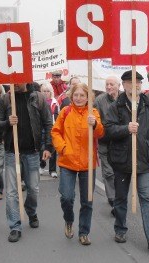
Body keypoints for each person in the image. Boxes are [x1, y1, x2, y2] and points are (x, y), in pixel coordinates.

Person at [105, 70, 149, 250]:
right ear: (124, 85)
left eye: (138, 82)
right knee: (121, 197)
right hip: (122, 160)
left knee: (146, 196)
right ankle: (120, 229)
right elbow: (108, 130)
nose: (135, 85)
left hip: (144, 159)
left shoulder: (148, 105)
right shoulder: (116, 107)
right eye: (131, 83)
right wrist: (126, 128)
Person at [0, 83, 53, 243]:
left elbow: (48, 123)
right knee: (12, 192)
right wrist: (7, 122)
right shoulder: (6, 99)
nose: (15, 84)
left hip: (32, 152)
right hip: (11, 152)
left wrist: (48, 146)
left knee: (33, 188)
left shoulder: (38, 98)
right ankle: (14, 226)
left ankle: (31, 210)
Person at [51, 83, 104, 245]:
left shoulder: (93, 113)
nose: (79, 98)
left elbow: (100, 133)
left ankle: (84, 232)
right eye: (76, 95)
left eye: (82, 95)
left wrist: (94, 123)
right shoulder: (65, 112)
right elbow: (55, 132)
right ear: (71, 96)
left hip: (88, 163)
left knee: (87, 201)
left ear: (88, 97)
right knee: (66, 197)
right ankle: (69, 220)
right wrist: (63, 148)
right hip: (67, 161)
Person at [93, 75, 121, 209]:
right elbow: (95, 119)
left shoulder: (124, 98)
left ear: (118, 86)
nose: (109, 87)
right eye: (107, 84)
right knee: (108, 172)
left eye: (112, 84)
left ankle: (120, 196)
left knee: (121, 173)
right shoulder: (99, 100)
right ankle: (112, 198)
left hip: (121, 143)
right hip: (105, 142)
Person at [40, 82, 60, 178]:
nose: (46, 93)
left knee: (53, 149)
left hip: (52, 128)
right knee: (41, 148)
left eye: (48, 91)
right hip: (41, 128)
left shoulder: (55, 102)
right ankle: (42, 165)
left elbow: (58, 116)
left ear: (51, 92)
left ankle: (52, 170)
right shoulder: (38, 101)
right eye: (44, 91)